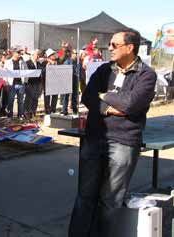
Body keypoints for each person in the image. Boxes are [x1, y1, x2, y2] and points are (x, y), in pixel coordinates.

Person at [68, 29, 157, 237]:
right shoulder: (103, 70)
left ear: (130, 47)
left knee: (110, 200)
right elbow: (88, 97)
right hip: (94, 139)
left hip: (124, 142)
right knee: (84, 197)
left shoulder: (146, 75)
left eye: (114, 45)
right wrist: (108, 108)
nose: (109, 49)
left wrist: (104, 95)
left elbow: (132, 104)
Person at [3, 46, 27, 119]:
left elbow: (26, 72)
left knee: (20, 101)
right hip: (11, 84)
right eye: (18, 52)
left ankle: (20, 115)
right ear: (14, 53)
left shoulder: (22, 62)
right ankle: (10, 115)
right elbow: (5, 74)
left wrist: (25, 82)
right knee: (10, 100)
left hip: (20, 84)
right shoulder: (7, 62)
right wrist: (6, 84)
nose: (20, 53)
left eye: (20, 52)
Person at [24, 49, 44, 119]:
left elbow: (42, 72)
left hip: (38, 84)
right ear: (32, 55)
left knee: (35, 99)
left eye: (38, 55)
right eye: (37, 55)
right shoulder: (27, 63)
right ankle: (27, 113)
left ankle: (33, 112)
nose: (38, 56)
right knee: (29, 99)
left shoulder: (39, 63)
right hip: (30, 83)